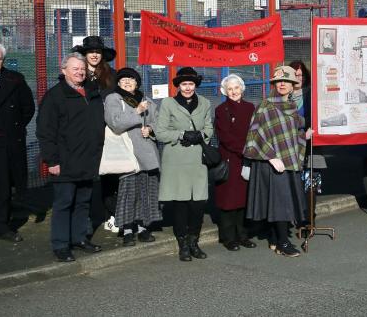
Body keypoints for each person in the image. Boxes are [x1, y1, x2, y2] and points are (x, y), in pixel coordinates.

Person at [37, 53, 105, 262]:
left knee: (83, 202)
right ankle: (61, 245)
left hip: (88, 159)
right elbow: (45, 131)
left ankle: (79, 238)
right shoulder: (55, 96)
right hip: (65, 161)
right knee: (63, 203)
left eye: (82, 68)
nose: (80, 72)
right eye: (75, 68)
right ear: (64, 70)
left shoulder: (92, 93)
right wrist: (52, 160)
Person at [244, 66, 311, 258]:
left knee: (279, 202)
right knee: (280, 203)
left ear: (292, 86)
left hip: (288, 161)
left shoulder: (291, 108)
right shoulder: (265, 106)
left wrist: (304, 137)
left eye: (286, 81)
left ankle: (274, 239)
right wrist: (271, 156)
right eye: (278, 81)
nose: (282, 84)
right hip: (270, 162)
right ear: (274, 84)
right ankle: (283, 242)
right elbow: (254, 135)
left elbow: (293, 133)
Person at [155, 67, 214, 262]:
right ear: (178, 86)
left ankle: (194, 241)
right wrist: (181, 134)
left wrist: (201, 135)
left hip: (197, 159)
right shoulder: (167, 103)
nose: (188, 88)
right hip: (176, 160)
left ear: (195, 85)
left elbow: (209, 127)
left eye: (191, 84)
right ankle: (183, 245)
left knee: (197, 204)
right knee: (180, 203)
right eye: (184, 84)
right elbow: (161, 132)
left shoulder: (205, 103)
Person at [104, 67, 161, 246]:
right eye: (123, 79)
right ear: (118, 83)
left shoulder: (147, 101)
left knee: (147, 193)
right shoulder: (113, 98)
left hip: (148, 154)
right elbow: (115, 123)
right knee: (128, 194)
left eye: (131, 79)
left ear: (137, 83)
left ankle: (144, 227)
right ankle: (128, 230)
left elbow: (158, 122)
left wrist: (150, 129)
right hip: (127, 154)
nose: (128, 82)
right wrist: (136, 112)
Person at [72, 35, 118, 235]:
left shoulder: (111, 75)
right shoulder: (76, 75)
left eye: (97, 52)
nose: (94, 55)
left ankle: (111, 215)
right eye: (90, 52)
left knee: (110, 175)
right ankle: (87, 218)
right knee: (86, 176)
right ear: (84, 54)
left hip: (108, 131)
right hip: (83, 132)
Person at [0, 42, 35, 243]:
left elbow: (27, 108)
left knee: (3, 184)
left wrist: (14, 129)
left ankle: (2, 225)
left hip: (5, 141)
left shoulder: (15, 80)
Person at [214, 74, 256, 251]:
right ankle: (228, 238)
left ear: (242, 89)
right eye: (229, 89)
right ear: (224, 91)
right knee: (229, 201)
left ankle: (243, 235)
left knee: (244, 200)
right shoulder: (221, 109)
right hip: (231, 159)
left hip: (248, 158)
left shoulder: (250, 107)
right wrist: (245, 149)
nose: (233, 91)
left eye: (236, 88)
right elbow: (224, 136)